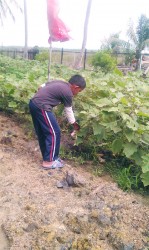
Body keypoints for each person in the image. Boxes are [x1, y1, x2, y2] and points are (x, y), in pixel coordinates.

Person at [29, 74, 86, 169]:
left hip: (33, 103)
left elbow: (41, 86)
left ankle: (50, 158)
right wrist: (74, 124)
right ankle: (49, 162)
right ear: (76, 87)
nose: (77, 93)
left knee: (43, 133)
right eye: (79, 91)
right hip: (42, 107)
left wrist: (43, 97)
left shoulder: (60, 83)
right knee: (54, 132)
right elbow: (68, 110)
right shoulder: (68, 93)